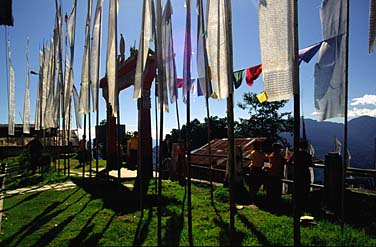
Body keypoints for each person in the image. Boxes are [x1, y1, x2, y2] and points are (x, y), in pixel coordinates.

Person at [287, 140, 313, 212]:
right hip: (305, 173)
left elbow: (289, 161)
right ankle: (304, 205)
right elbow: (311, 164)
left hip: (297, 173)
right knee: (305, 189)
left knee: (296, 189)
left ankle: (295, 204)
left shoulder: (296, 154)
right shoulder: (307, 155)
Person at [266, 143, 287, 208]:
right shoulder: (277, 155)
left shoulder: (272, 155)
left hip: (271, 174)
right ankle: (276, 204)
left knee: (272, 190)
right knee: (277, 190)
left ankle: (271, 203)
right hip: (276, 174)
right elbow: (284, 161)